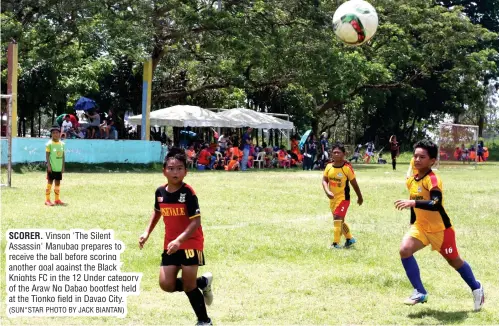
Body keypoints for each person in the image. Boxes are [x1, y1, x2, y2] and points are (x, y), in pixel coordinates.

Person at [394, 139, 484, 310]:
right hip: (421, 227)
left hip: (441, 230)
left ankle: (476, 287)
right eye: (416, 156)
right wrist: (412, 221)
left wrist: (413, 204)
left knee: (454, 262)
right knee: (404, 250)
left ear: (432, 161)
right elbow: (415, 200)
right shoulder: (412, 180)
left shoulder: (433, 179)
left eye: (422, 157)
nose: (418, 159)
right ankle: (420, 291)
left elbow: (436, 203)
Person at [138, 148, 214, 325]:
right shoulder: (160, 192)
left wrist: (180, 240)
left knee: (188, 285)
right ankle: (202, 282)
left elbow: (195, 222)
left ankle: (204, 321)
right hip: (170, 244)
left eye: (180, 168)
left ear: (186, 172)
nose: (175, 172)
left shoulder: (188, 193)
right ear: (164, 170)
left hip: (190, 243)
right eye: (171, 168)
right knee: (166, 284)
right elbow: (157, 212)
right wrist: (146, 232)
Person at [322, 142, 363, 249]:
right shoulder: (329, 167)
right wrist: (327, 191)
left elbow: (354, 184)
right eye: (334, 152)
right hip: (333, 198)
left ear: (343, 154)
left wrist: (360, 196)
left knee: (337, 219)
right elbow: (324, 180)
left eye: (338, 153)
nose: (336, 154)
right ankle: (350, 239)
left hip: (344, 199)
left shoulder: (347, 168)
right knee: (341, 221)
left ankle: (335, 244)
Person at [45, 126, 66, 206]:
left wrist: (63, 166)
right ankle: (47, 200)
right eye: (53, 133)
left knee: (57, 183)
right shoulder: (49, 144)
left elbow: (63, 156)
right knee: (50, 182)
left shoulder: (62, 144)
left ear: (59, 134)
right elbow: (47, 156)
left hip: (59, 167)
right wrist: (48, 166)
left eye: (57, 133)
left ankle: (57, 199)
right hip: (51, 167)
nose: (55, 134)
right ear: (51, 134)